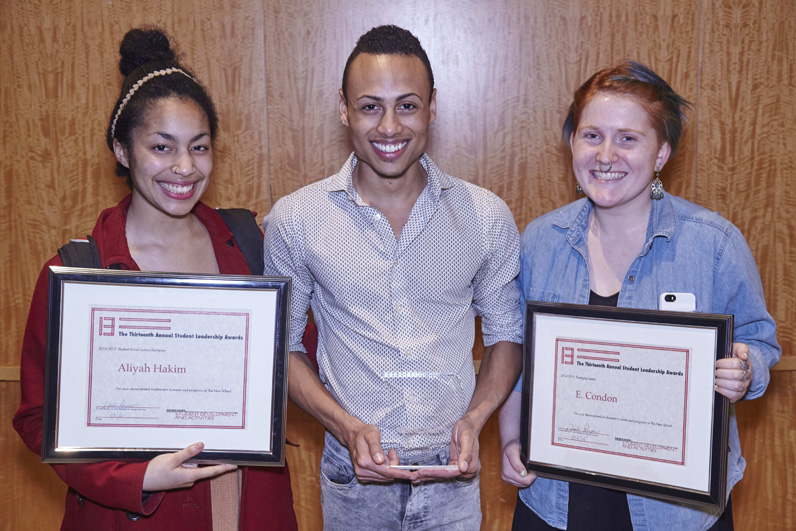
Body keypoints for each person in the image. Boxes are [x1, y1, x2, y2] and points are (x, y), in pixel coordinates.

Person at [13, 28, 303, 530]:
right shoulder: (81, 271)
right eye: (162, 147)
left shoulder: (253, 247)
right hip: (130, 514)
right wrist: (136, 477)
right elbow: (37, 418)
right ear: (123, 152)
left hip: (241, 505)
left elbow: (303, 360)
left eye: (200, 146)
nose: (185, 168)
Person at [499, 61, 781, 531]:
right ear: (572, 143)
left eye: (628, 139)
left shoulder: (713, 244)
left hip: (677, 511)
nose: (606, 154)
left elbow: (761, 341)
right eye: (591, 136)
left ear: (661, 153)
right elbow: (516, 360)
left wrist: (745, 369)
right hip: (556, 501)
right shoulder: (538, 241)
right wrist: (511, 440)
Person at [263, 25, 523, 530]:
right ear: (344, 109)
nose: (388, 127)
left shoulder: (485, 216)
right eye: (369, 107)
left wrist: (475, 419)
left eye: (406, 105)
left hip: (453, 478)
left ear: (431, 107)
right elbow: (284, 348)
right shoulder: (295, 220)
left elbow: (506, 337)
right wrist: (345, 426)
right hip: (353, 481)